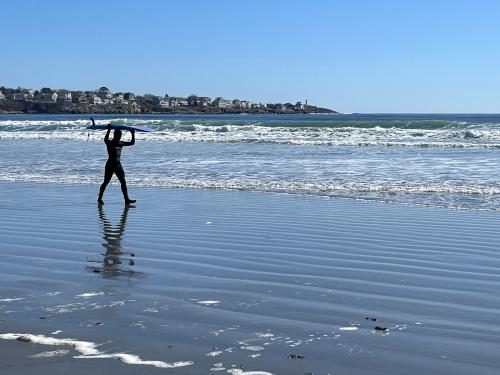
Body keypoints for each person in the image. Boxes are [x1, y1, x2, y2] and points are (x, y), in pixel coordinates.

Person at [95, 119, 136, 205]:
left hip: (118, 165)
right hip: (110, 165)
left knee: (123, 181)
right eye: (119, 135)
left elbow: (132, 143)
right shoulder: (110, 143)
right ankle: (99, 198)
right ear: (116, 135)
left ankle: (127, 200)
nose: (120, 137)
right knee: (106, 182)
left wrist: (133, 133)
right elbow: (105, 139)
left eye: (120, 136)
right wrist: (109, 130)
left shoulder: (120, 143)